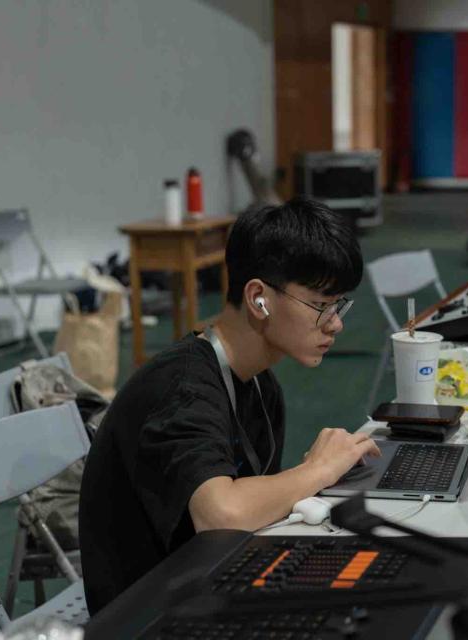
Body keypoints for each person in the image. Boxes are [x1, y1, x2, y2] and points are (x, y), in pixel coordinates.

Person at [79, 198, 381, 613]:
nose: (336, 323)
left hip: (214, 580)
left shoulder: (259, 382)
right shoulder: (181, 388)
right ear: (258, 298)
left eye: (340, 304)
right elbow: (221, 514)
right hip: (150, 614)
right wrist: (318, 470)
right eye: (321, 305)